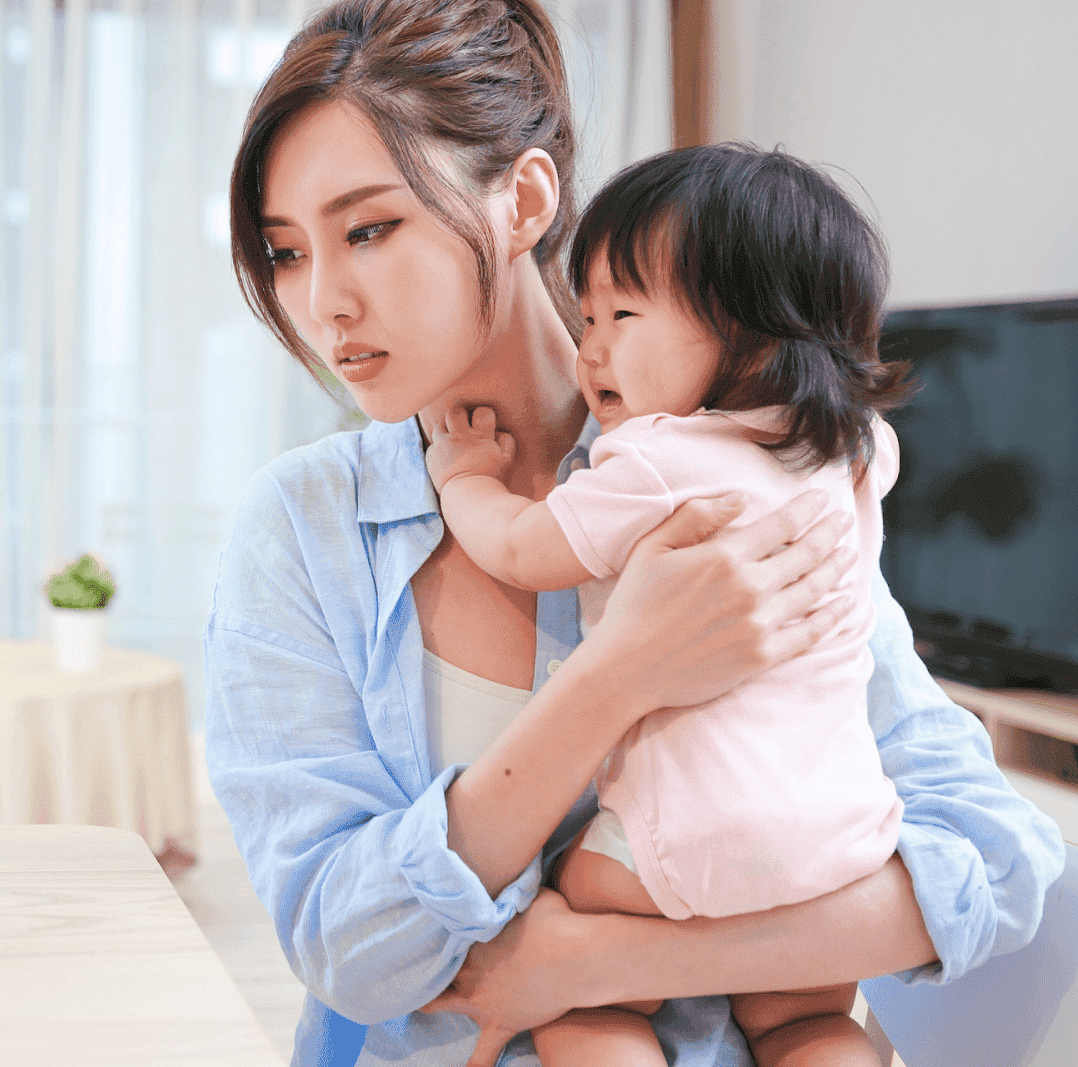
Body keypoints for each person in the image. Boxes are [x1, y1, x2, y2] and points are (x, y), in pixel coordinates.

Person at [203, 2, 1065, 1066]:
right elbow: (346, 946)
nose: (323, 302)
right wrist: (617, 672)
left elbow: (1002, 856)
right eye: (286, 252)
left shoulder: (733, 479)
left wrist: (595, 966)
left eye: (369, 228)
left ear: (521, 199)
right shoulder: (303, 530)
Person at [424, 142, 913, 1067]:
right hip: (838, 834)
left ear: (753, 337)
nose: (590, 345)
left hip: (685, 837)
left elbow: (528, 550)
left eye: (621, 314)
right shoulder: (858, 456)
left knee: (578, 983)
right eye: (587, 314)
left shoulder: (657, 457)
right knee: (810, 1025)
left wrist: (463, 482)